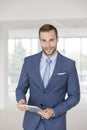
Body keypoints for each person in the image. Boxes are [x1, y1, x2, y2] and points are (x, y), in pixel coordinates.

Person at [16, 24, 80, 130]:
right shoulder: (29, 62)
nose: (48, 45)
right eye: (44, 41)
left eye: (51, 40)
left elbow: (75, 96)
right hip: (31, 123)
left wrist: (54, 111)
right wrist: (21, 99)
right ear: (40, 41)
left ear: (57, 39)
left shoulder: (69, 65)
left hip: (56, 124)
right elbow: (20, 88)